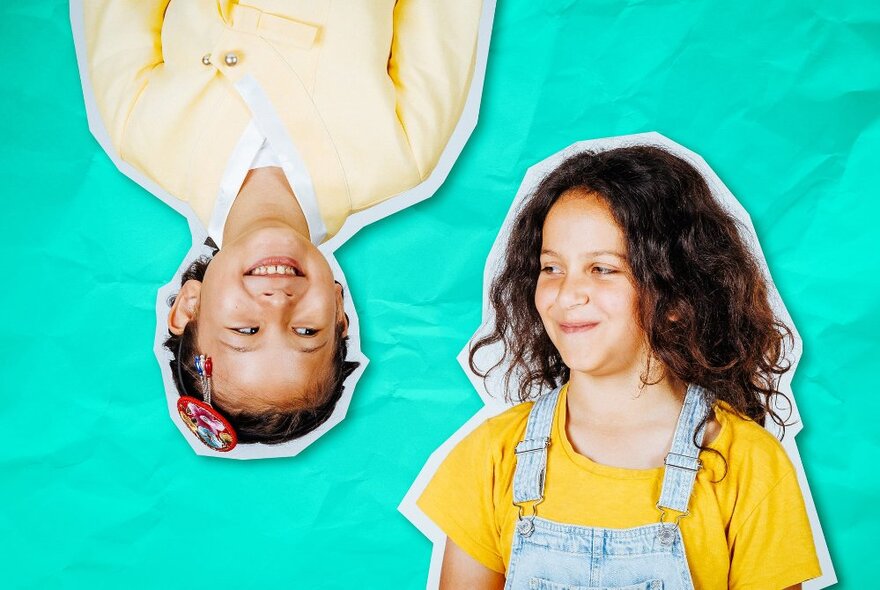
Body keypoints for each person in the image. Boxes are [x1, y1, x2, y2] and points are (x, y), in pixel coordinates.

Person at [74, 0, 485, 447]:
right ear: (339, 312)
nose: (277, 302)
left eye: (245, 330)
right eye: (307, 331)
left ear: (188, 306)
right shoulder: (405, 154)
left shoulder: (139, 132)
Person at [417, 146, 822, 588]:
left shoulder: (748, 465)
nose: (568, 293)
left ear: (676, 294)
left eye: (602, 269)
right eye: (551, 267)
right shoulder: (492, 457)